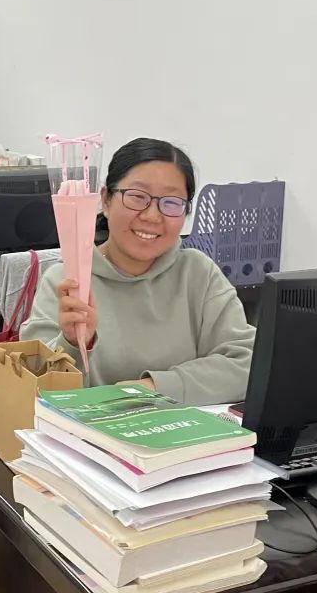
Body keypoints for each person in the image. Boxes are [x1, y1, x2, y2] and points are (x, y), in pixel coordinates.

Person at [21, 137, 255, 406]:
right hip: (92, 431)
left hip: (184, 430)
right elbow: (33, 387)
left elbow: (248, 363)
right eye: (137, 197)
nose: (152, 216)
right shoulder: (68, 280)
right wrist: (73, 343)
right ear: (106, 200)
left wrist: (152, 388)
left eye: (171, 202)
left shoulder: (198, 274)